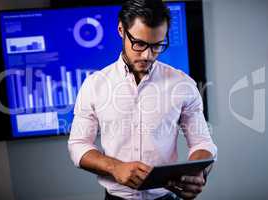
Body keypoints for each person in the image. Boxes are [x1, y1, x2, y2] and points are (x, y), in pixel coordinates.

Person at [68, 0, 217, 199]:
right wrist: (115, 167)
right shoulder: (94, 85)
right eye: (139, 44)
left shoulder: (183, 84)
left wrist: (198, 172)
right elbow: (78, 144)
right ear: (121, 30)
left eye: (157, 46)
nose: (147, 55)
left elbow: (202, 144)